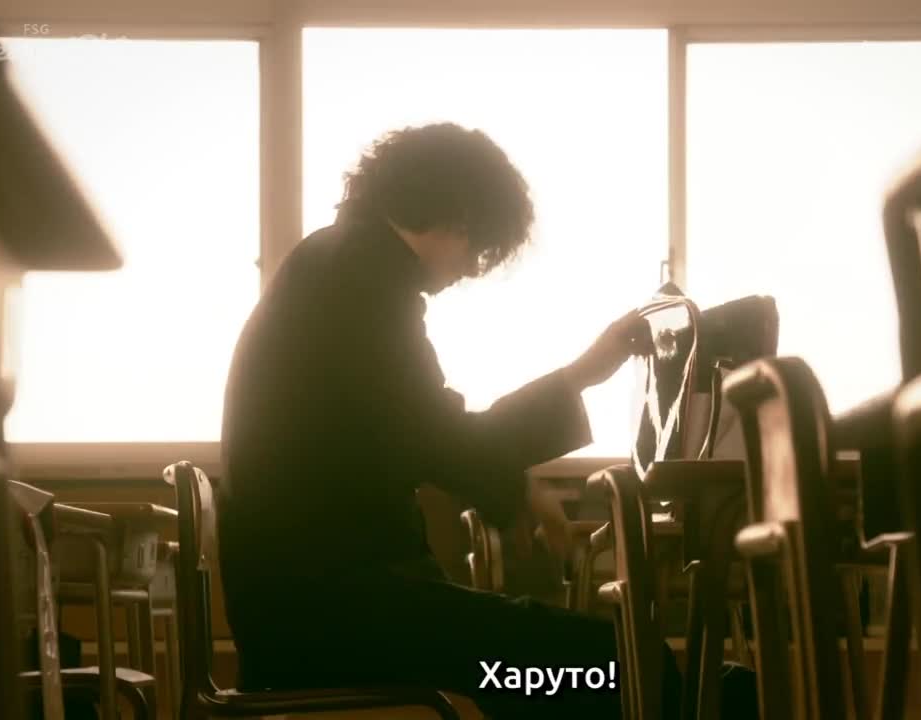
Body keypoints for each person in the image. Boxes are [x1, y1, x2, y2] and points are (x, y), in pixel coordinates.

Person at [217, 122, 756, 719]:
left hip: (315, 610)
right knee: (614, 666)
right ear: (460, 215)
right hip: (338, 620)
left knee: (611, 667)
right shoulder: (362, 280)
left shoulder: (337, 263)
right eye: (478, 252)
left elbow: (422, 435)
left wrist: (516, 482)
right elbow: (446, 443)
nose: (470, 269)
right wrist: (575, 386)